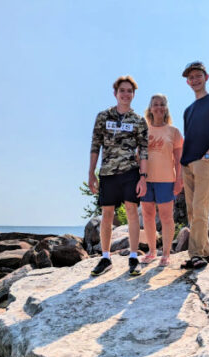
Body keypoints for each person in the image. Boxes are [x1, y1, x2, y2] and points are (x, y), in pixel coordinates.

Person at [88, 75, 150, 277]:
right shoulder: (103, 117)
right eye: (122, 90)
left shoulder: (139, 121)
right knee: (107, 214)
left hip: (130, 172)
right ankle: (105, 257)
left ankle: (133, 257)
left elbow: (144, 150)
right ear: (115, 93)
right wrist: (91, 173)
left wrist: (143, 177)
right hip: (107, 173)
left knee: (132, 211)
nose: (126, 94)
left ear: (133, 95)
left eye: (129, 91)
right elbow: (95, 146)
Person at [179, 61, 209, 269]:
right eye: (191, 78)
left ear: (205, 77)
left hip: (204, 161)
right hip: (187, 163)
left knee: (200, 208)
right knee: (192, 210)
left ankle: (196, 254)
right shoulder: (188, 110)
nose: (194, 80)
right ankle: (205, 251)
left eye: (198, 76)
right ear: (187, 82)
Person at [139, 94, 184, 266]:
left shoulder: (174, 132)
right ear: (150, 108)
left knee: (166, 217)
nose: (158, 107)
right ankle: (151, 252)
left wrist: (179, 179)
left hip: (166, 180)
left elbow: (179, 159)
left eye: (162, 104)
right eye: (155, 104)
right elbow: (137, 157)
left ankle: (166, 254)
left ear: (166, 108)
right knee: (148, 216)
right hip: (145, 180)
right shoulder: (143, 131)